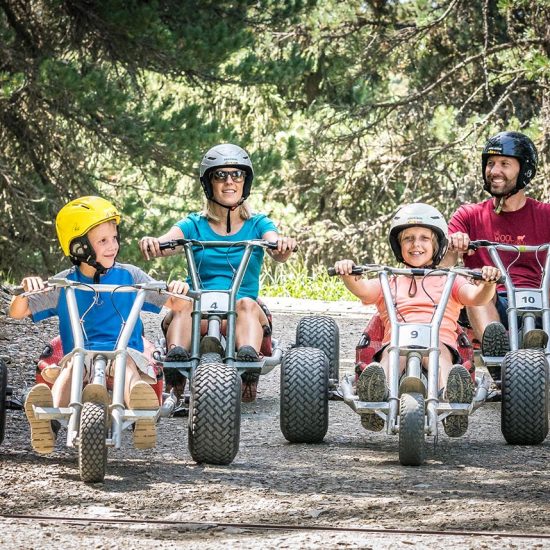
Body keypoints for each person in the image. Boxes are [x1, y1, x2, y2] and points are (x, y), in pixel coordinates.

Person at [9, 196, 189, 453]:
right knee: (71, 369)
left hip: (125, 353)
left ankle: (142, 410)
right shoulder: (64, 283)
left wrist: (179, 289)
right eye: (103, 240)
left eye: (114, 238)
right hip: (79, 354)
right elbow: (18, 312)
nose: (112, 246)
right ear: (80, 247)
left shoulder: (131, 276)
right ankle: (48, 423)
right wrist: (25, 291)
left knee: (125, 366)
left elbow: (178, 304)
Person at [138, 143, 297, 399]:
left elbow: (276, 248)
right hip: (199, 310)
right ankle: (176, 366)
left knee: (245, 303)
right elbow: (168, 241)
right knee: (184, 303)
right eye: (220, 175)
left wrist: (282, 245)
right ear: (208, 183)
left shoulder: (258, 223)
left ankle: (247, 365)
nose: (229, 182)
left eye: (237, 174)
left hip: (243, 312)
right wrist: (154, 242)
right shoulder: (193, 224)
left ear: (245, 182)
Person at [333, 203, 501, 437]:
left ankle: (452, 400)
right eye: (408, 238)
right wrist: (348, 274)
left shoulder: (450, 279)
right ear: (397, 245)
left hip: (439, 343)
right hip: (397, 343)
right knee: (394, 355)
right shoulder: (389, 279)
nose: (416, 244)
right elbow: (364, 290)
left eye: (424, 238)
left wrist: (488, 284)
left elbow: (476, 297)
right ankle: (376, 393)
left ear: (437, 244)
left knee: (440, 355)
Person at [445, 131, 550, 356]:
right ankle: (500, 357)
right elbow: (444, 267)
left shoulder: (546, 214)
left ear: (525, 170)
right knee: (473, 283)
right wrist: (454, 245)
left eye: (504, 164)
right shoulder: (468, 215)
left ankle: (534, 344)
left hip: (544, 301)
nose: (494, 171)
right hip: (494, 302)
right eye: (490, 163)